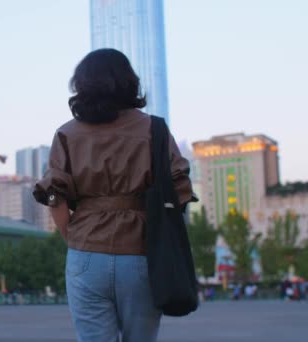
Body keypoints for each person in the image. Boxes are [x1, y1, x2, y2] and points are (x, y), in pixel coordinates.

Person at [33, 48, 194, 342]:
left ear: (81, 85)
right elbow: (179, 192)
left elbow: (55, 198)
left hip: (85, 252)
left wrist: (77, 239)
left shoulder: (67, 134)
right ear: (128, 81)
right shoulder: (154, 129)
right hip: (143, 252)